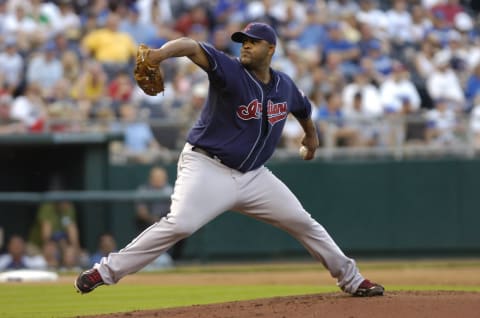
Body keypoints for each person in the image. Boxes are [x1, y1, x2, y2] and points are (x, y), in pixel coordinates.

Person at [75, 22, 384, 297]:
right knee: (180, 224)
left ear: (271, 49)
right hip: (207, 167)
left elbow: (303, 109)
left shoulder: (285, 86)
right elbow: (190, 46)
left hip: (254, 176)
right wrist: (159, 54)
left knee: (303, 222)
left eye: (253, 41)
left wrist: (311, 137)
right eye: (242, 40)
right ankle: (105, 271)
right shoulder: (230, 71)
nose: (245, 45)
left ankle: (352, 280)